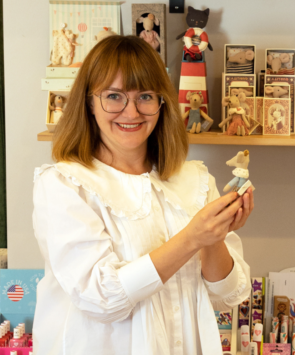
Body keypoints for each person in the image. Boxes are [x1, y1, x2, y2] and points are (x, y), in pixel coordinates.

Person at [32, 35, 253, 355]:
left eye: (145, 96)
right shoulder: (64, 184)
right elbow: (100, 298)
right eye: (114, 96)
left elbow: (226, 294)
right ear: (89, 103)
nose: (131, 111)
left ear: (162, 103)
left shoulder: (196, 179)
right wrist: (192, 238)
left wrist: (214, 236)